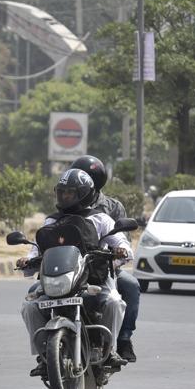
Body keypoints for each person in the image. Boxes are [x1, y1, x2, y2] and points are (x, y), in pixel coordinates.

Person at [17, 168, 133, 377]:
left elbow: (123, 246)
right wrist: (28, 260)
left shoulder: (101, 219)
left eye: (70, 193)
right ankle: (44, 356)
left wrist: (120, 251)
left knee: (114, 302)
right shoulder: (52, 221)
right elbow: (37, 250)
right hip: (59, 279)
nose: (65, 197)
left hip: (93, 277)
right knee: (29, 306)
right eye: (61, 192)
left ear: (84, 193)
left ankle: (110, 349)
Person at [71, 155, 141, 363]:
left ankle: (124, 339)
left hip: (104, 267)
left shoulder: (111, 208)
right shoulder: (66, 205)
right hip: (71, 269)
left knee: (130, 286)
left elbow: (123, 244)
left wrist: (110, 261)